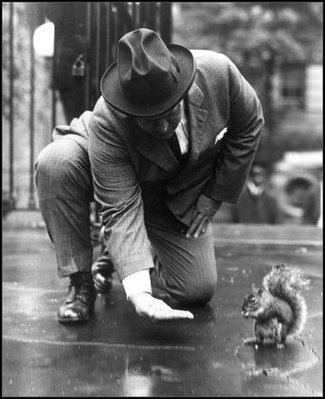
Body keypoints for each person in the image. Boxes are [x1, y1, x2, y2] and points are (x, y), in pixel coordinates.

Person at [35, 28, 264, 324]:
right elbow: (120, 206)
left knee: (196, 289)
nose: (162, 128)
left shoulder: (220, 73)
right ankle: (81, 282)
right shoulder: (109, 120)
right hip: (107, 160)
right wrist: (140, 293)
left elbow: (249, 125)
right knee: (56, 162)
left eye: (169, 114)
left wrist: (214, 194)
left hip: (170, 190)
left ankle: (118, 252)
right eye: (149, 120)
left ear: (183, 89)